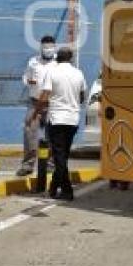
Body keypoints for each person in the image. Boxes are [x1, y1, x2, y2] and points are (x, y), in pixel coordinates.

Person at [30, 47, 84, 200]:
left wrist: (35, 113)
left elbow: (45, 95)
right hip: (73, 119)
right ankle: (54, 188)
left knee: (59, 156)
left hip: (57, 118)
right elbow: (81, 96)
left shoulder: (52, 72)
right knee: (62, 155)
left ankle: (67, 191)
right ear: (71, 58)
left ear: (57, 58)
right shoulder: (78, 73)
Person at [17, 36, 57, 177]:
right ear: (41, 47)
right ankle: (28, 164)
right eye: (46, 47)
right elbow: (25, 77)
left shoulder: (58, 62)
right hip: (34, 102)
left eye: (51, 46)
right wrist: (29, 81)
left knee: (52, 134)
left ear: (55, 47)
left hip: (52, 103)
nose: (48, 49)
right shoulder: (33, 62)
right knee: (29, 132)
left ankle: (50, 164)